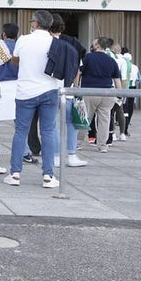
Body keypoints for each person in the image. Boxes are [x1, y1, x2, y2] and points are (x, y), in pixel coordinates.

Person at [4, 10, 60, 188]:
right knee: (48, 132)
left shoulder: (23, 40)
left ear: (35, 24)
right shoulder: (55, 42)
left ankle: (15, 174)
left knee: (21, 131)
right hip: (49, 90)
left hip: (25, 92)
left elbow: (15, 60)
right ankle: (48, 176)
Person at [50, 14, 88, 168]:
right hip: (68, 88)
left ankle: (56, 156)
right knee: (71, 122)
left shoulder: (46, 42)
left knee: (51, 124)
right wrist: (75, 86)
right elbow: (78, 70)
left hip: (50, 88)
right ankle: (71, 155)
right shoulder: (73, 43)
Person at [78, 38, 121, 155]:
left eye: (93, 42)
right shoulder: (111, 61)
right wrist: (120, 95)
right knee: (104, 120)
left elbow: (79, 73)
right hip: (107, 93)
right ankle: (103, 145)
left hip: (89, 92)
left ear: (97, 45)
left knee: (85, 118)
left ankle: (78, 142)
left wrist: (76, 88)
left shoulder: (87, 58)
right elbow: (117, 80)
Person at [0, 23, 19, 174]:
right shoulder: (19, 48)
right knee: (20, 123)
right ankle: (24, 152)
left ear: (4, 35)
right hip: (16, 86)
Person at [122, 49, 141, 136]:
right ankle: (126, 126)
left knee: (123, 108)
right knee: (130, 108)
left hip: (124, 87)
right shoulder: (135, 67)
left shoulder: (122, 65)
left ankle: (122, 126)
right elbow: (139, 79)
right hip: (132, 88)